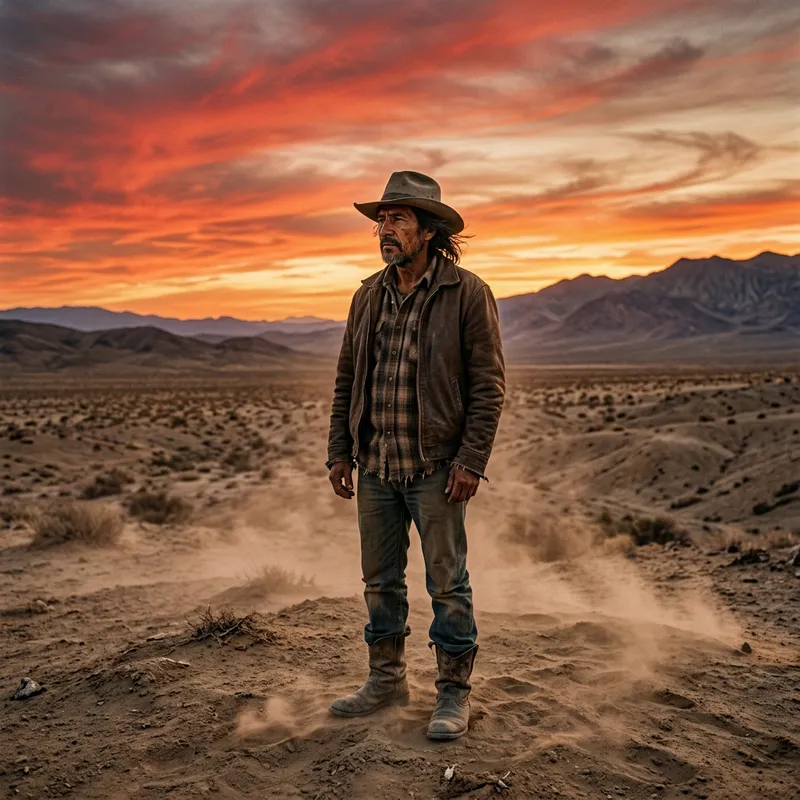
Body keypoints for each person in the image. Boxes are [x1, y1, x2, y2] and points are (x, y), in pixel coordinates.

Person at [326, 171, 505, 740]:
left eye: (397, 218)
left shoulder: (467, 294)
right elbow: (348, 378)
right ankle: (386, 679)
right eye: (382, 219)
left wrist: (471, 461)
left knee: (447, 583)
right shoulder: (367, 295)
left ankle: (453, 693)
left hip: (436, 470)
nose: (385, 228)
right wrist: (339, 451)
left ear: (427, 230)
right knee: (380, 582)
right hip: (376, 465)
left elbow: (488, 386)